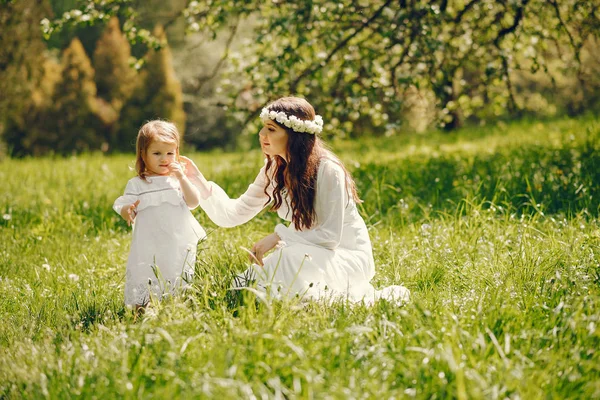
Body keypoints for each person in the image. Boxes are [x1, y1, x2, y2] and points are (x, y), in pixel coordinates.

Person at [182, 96, 409, 304]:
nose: (262, 135)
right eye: (263, 128)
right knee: (243, 286)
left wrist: (278, 236)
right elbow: (233, 214)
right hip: (303, 253)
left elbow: (330, 237)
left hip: (346, 258)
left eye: (271, 129)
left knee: (289, 260)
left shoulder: (328, 170)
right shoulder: (274, 169)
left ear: (294, 136)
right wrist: (197, 180)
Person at [113, 120, 206, 307]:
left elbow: (194, 202)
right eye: (157, 153)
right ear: (143, 154)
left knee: (175, 269)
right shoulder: (138, 184)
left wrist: (181, 177)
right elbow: (123, 203)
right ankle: (142, 308)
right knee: (145, 270)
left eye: (170, 153)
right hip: (149, 241)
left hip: (177, 240)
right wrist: (127, 210)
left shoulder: (177, 181)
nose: (164, 159)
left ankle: (175, 307)